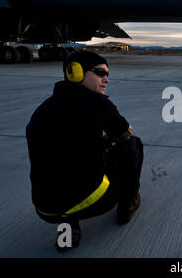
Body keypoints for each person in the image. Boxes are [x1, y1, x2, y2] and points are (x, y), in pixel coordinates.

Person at [26, 51, 143, 252]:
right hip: (94, 201)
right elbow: (123, 133)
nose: (106, 79)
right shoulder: (97, 102)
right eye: (99, 72)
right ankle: (127, 204)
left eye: (107, 74)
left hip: (44, 208)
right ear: (76, 73)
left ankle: (67, 231)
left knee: (63, 172)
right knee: (132, 144)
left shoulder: (42, 110)